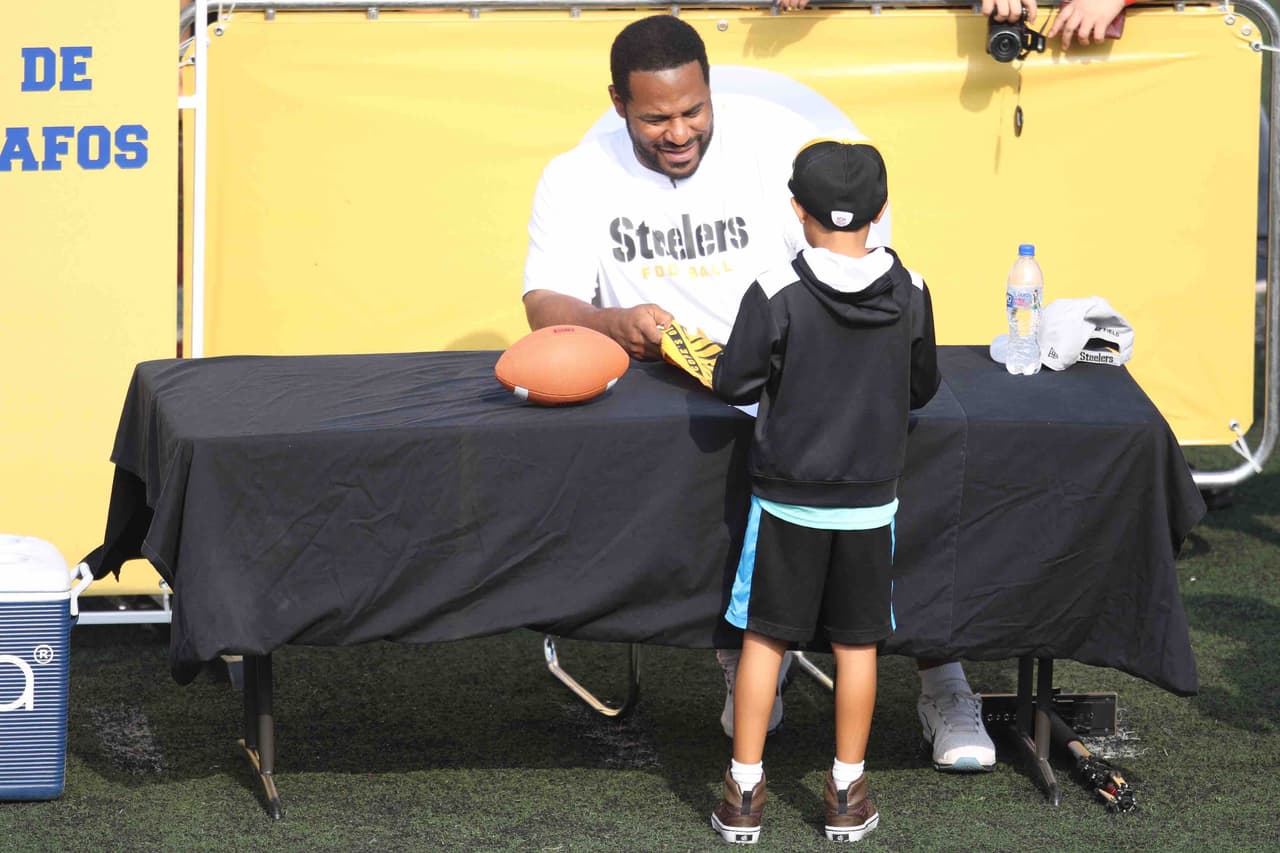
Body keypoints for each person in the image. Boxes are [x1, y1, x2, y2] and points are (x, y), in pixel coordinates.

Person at [522, 13, 998, 773]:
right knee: (702, 472)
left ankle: (942, 674)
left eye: (692, 110)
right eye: (654, 118)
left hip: (800, 379)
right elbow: (544, 308)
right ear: (617, 103)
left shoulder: (774, 145)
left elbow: (860, 268)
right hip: (669, 389)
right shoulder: (576, 173)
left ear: (711, 90)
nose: (677, 132)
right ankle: (747, 666)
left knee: (914, 458)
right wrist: (616, 321)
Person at [709, 140, 939, 844]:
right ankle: (846, 789)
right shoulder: (914, 290)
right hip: (871, 502)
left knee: (764, 638)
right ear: (882, 212)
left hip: (786, 502)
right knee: (857, 645)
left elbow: (733, 382)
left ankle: (744, 791)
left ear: (797, 211)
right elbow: (922, 386)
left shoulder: (774, 290)